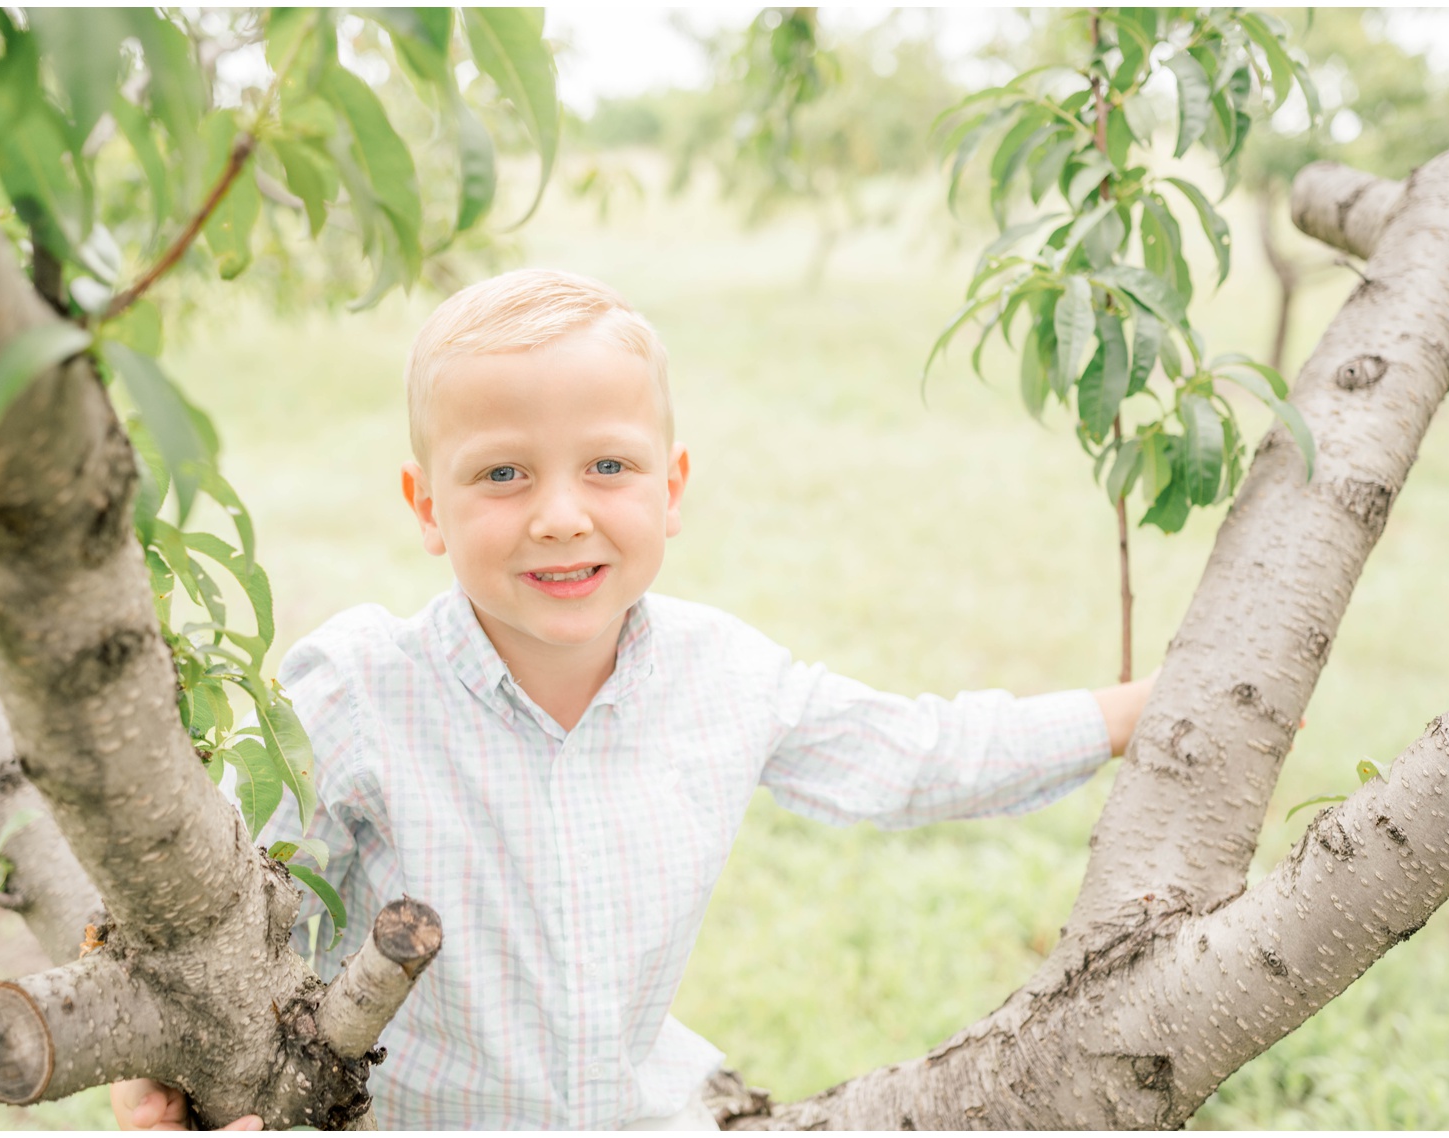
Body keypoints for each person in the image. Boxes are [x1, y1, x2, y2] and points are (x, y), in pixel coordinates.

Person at [114, 269, 1157, 1131]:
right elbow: (218, 906)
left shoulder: (722, 676)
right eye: (503, 474)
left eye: (607, 465)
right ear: (425, 505)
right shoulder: (356, 689)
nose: (561, 516)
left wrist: (1120, 715)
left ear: (672, 485)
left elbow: (910, 753)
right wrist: (174, 1082)